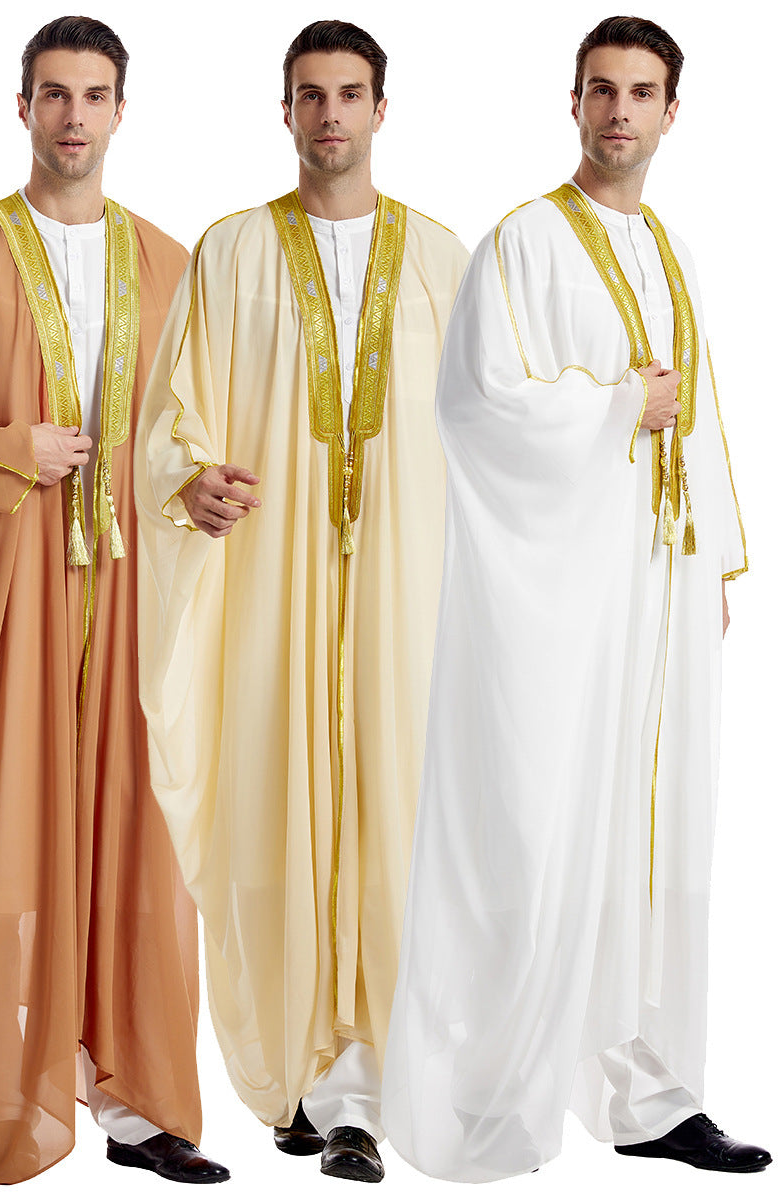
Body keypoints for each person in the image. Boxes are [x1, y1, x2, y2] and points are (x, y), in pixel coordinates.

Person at [381, 14, 770, 1181]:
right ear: (574, 102)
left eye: (641, 93)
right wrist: (613, 407)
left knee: (652, 836)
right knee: (538, 826)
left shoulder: (672, 249)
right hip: (558, 596)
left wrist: (707, 564)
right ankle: (492, 1091)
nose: (619, 111)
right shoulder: (525, 242)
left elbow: (698, 409)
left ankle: (651, 1095)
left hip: (656, 586)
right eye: (601, 89)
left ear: (671, 112)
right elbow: (474, 403)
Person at [0, 15, 227, 1186]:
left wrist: (201, 485)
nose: (74, 116)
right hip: (4, 592)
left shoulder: (171, 263)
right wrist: (13, 448)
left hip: (134, 595)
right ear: (22, 108)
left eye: (94, 95)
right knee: (0, 843)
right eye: (54, 94)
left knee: (136, 843)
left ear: (122, 111)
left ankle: (141, 1106)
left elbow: (194, 427)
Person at [135, 19, 468, 1184]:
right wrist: (189, 480)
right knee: (271, 820)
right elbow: (169, 416)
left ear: (382, 109)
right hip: (267, 593)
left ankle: (376, 1081)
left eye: (350, 94)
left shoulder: (441, 261)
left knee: (400, 822)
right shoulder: (230, 252)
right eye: (311, 95)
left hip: (409, 599)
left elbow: (490, 430)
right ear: (285, 112)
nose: (331, 114)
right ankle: (307, 1077)